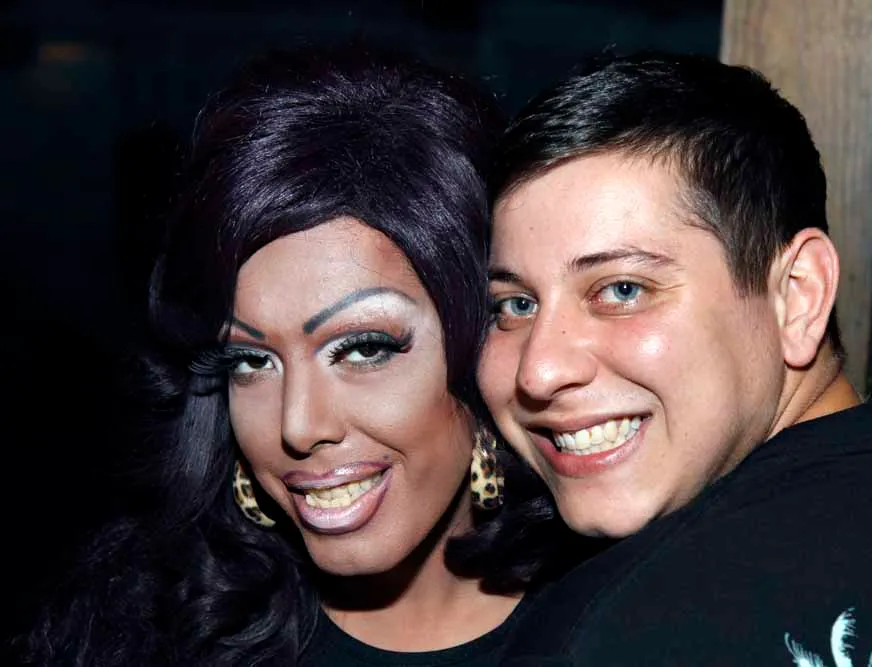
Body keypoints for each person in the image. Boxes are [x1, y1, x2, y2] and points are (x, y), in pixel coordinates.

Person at [14, 44, 569, 667]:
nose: (298, 426)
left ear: (485, 342)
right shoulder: (139, 633)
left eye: (363, 348)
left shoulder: (620, 617)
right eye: (251, 362)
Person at [478, 51, 872, 666]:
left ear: (798, 296)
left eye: (622, 290)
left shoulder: (605, 639)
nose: (539, 370)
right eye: (514, 305)